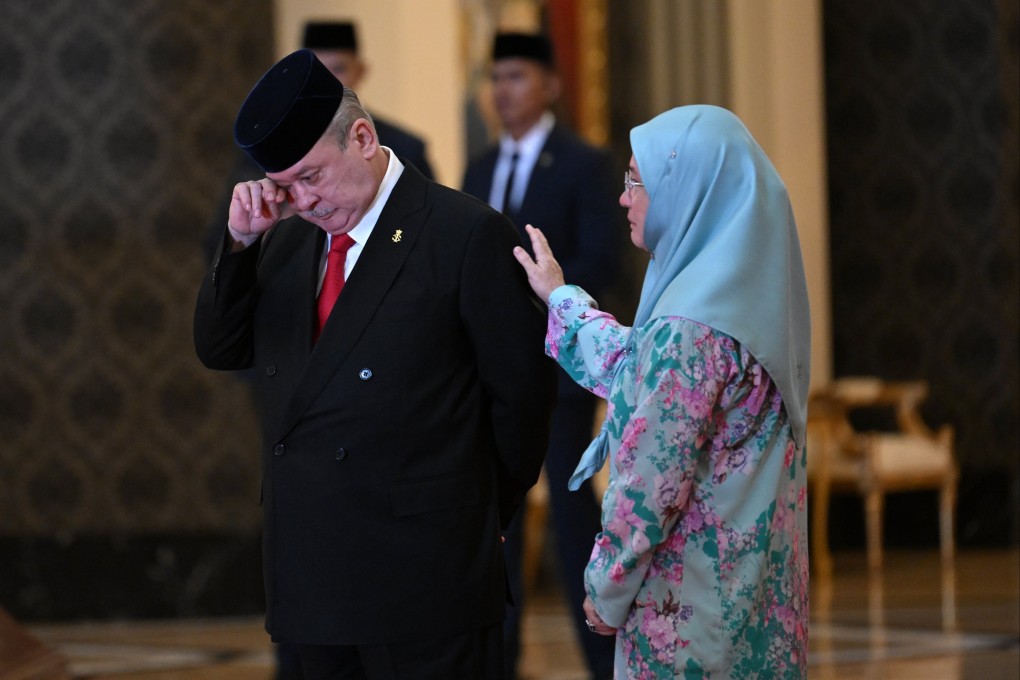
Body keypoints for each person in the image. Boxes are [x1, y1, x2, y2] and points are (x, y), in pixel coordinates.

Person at [194, 49, 557, 679]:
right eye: (285, 185)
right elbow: (221, 349)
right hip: (312, 577)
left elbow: (523, 399)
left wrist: (470, 512)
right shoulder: (285, 241)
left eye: (311, 176)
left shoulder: (463, 233)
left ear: (362, 138)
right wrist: (241, 244)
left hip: (425, 577)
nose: (303, 199)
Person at [513, 105, 811, 678]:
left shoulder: (687, 327)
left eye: (636, 180)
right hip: (758, 603)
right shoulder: (746, 299)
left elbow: (650, 482)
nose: (623, 198)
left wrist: (606, 586)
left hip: (691, 616)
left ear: (686, 188)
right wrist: (559, 296)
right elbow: (641, 370)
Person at [461, 32, 620, 680]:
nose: (503, 90)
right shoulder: (477, 168)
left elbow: (601, 261)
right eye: (495, 78)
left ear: (550, 85)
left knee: (572, 516)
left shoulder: (584, 163)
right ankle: (498, 664)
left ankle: (604, 661)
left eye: (517, 76)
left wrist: (530, 302)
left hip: (561, 375)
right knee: (494, 519)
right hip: (490, 376)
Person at [204, 20, 435, 263]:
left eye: (338, 69)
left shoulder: (405, 147)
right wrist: (259, 232)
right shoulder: (269, 150)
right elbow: (219, 246)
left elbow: (427, 229)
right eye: (288, 186)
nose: (325, 79)